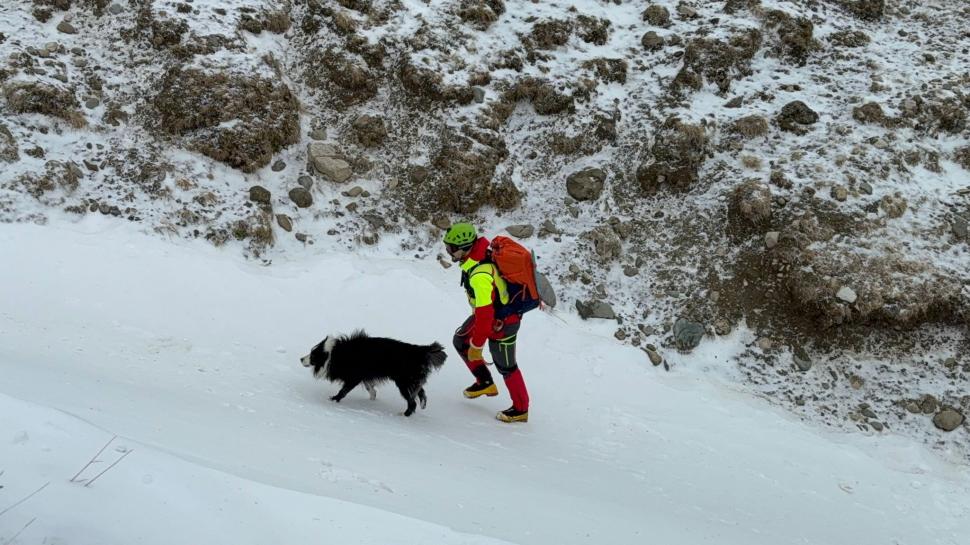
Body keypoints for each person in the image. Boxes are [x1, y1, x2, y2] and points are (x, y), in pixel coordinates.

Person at [444, 223, 530, 423]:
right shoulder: (477, 257)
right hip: (492, 316)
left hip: (504, 322)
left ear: (465, 247)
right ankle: (485, 382)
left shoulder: (480, 276)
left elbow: (485, 316)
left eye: (451, 248)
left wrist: (476, 347)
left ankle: (521, 409)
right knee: (460, 341)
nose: (449, 252)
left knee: (506, 366)